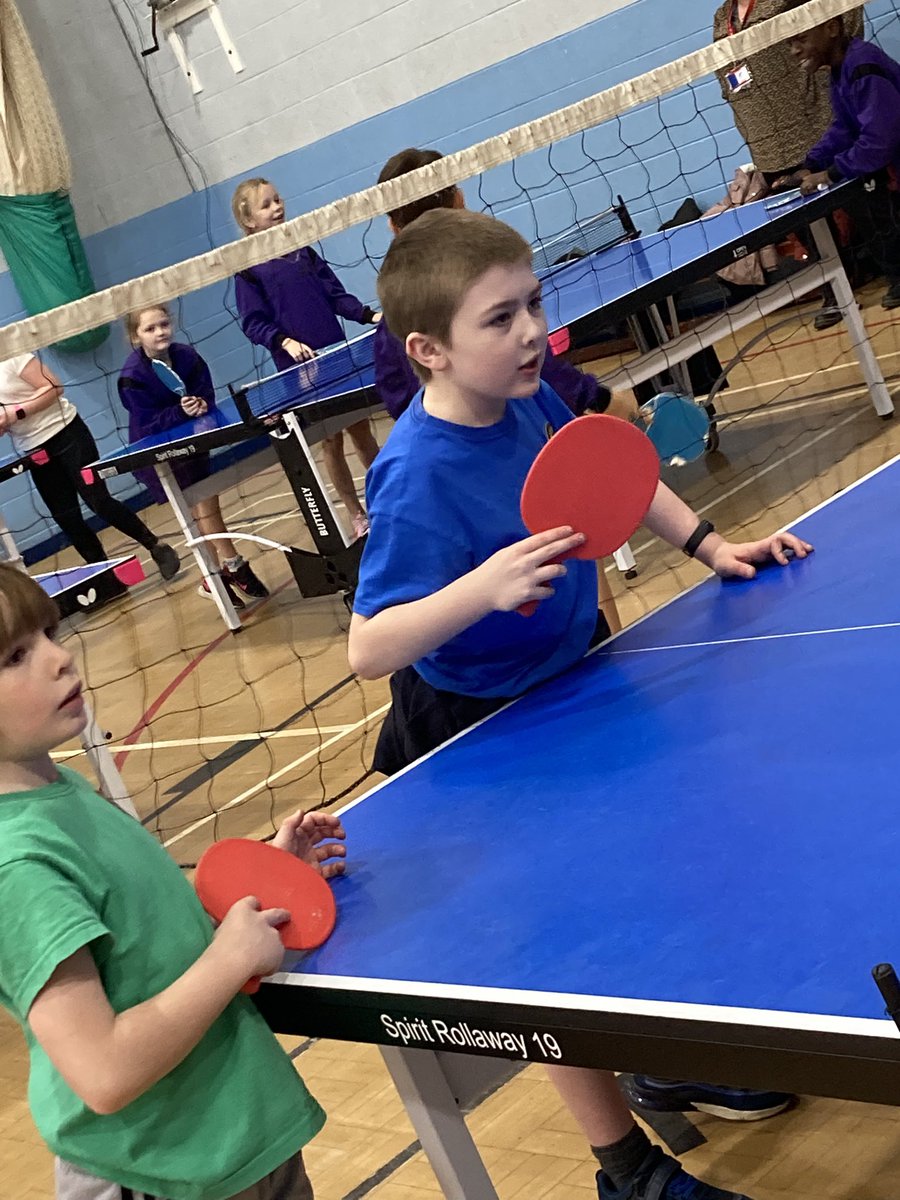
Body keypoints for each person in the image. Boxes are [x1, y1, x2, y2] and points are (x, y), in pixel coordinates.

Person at [348, 207, 814, 1200]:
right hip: (477, 721)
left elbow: (617, 474)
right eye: (500, 318)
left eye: (533, 305)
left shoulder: (526, 399)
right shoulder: (415, 475)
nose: (530, 332)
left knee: (652, 871)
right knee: (556, 945)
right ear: (429, 351)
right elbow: (368, 647)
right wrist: (481, 589)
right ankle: (626, 1169)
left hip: (572, 672)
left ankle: (667, 1062)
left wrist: (712, 547)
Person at [0, 559, 348, 1198]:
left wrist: (253, 897)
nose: (59, 658)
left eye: (49, 633)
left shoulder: (58, 788)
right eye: (15, 657)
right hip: (161, 1173)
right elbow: (103, 1071)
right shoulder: (16, 867)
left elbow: (140, 949)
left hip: (232, 1138)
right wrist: (228, 960)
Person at [373, 147, 637, 424]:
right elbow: (537, 365)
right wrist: (597, 398)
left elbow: (395, 394)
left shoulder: (394, 319)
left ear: (394, 227)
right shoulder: (487, 287)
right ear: (459, 201)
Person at [233, 178, 381, 540]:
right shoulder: (247, 269)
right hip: (300, 369)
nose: (277, 207)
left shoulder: (303, 250)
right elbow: (253, 323)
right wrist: (283, 341)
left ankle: (388, 499)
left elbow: (335, 296)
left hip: (336, 355)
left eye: (278, 199)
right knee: (332, 440)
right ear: (249, 220)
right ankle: (357, 514)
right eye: (266, 204)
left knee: (362, 430)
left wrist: (368, 315)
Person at [713, 0, 864, 328]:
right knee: (801, 223)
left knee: (855, 202)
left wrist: (834, 69)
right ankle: (835, 289)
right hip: (766, 141)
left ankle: (878, 270)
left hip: (809, 122)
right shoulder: (722, 16)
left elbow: (845, 16)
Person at [119, 305, 269, 609]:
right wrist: (179, 412)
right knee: (201, 510)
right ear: (135, 337)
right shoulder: (131, 376)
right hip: (158, 452)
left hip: (195, 441)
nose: (160, 332)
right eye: (150, 328)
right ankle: (230, 566)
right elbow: (146, 422)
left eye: (164, 324)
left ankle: (215, 577)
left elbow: (205, 394)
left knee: (207, 506)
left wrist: (202, 405)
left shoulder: (187, 356)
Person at [0, 353, 180, 580]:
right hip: (35, 451)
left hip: (67, 433)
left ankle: (156, 546)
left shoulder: (13, 357)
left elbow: (54, 387)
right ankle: (103, 574)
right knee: (66, 517)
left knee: (98, 501)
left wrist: (15, 413)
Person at [773, 0, 900, 310]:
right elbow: (844, 127)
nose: (794, 51)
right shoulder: (840, 69)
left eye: (801, 39)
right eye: (789, 43)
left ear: (831, 28)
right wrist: (810, 163)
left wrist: (830, 174)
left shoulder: (862, 65)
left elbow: (878, 140)